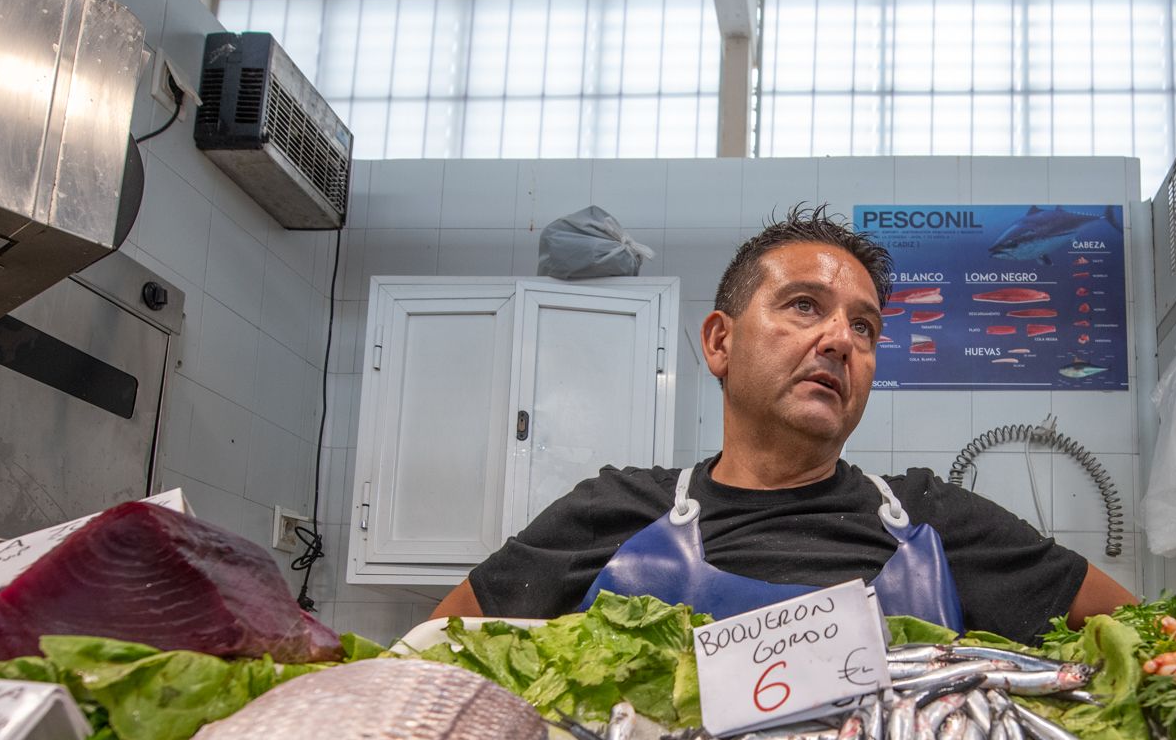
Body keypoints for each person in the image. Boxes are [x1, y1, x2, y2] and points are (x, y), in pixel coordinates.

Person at [430, 205, 1135, 645]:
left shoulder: (932, 518)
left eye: (863, 326)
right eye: (804, 305)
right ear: (719, 342)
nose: (838, 339)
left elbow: (1140, 638)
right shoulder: (610, 511)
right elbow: (432, 659)